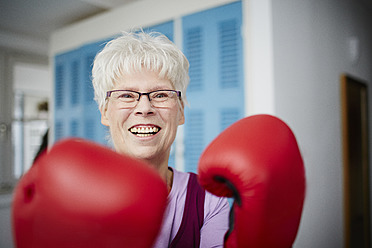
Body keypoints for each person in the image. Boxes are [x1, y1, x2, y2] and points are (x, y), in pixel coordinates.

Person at [91, 30, 230, 247]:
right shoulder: (76, 199)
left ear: (181, 112)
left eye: (160, 95)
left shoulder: (208, 200)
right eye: (127, 95)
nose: (144, 108)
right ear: (105, 112)